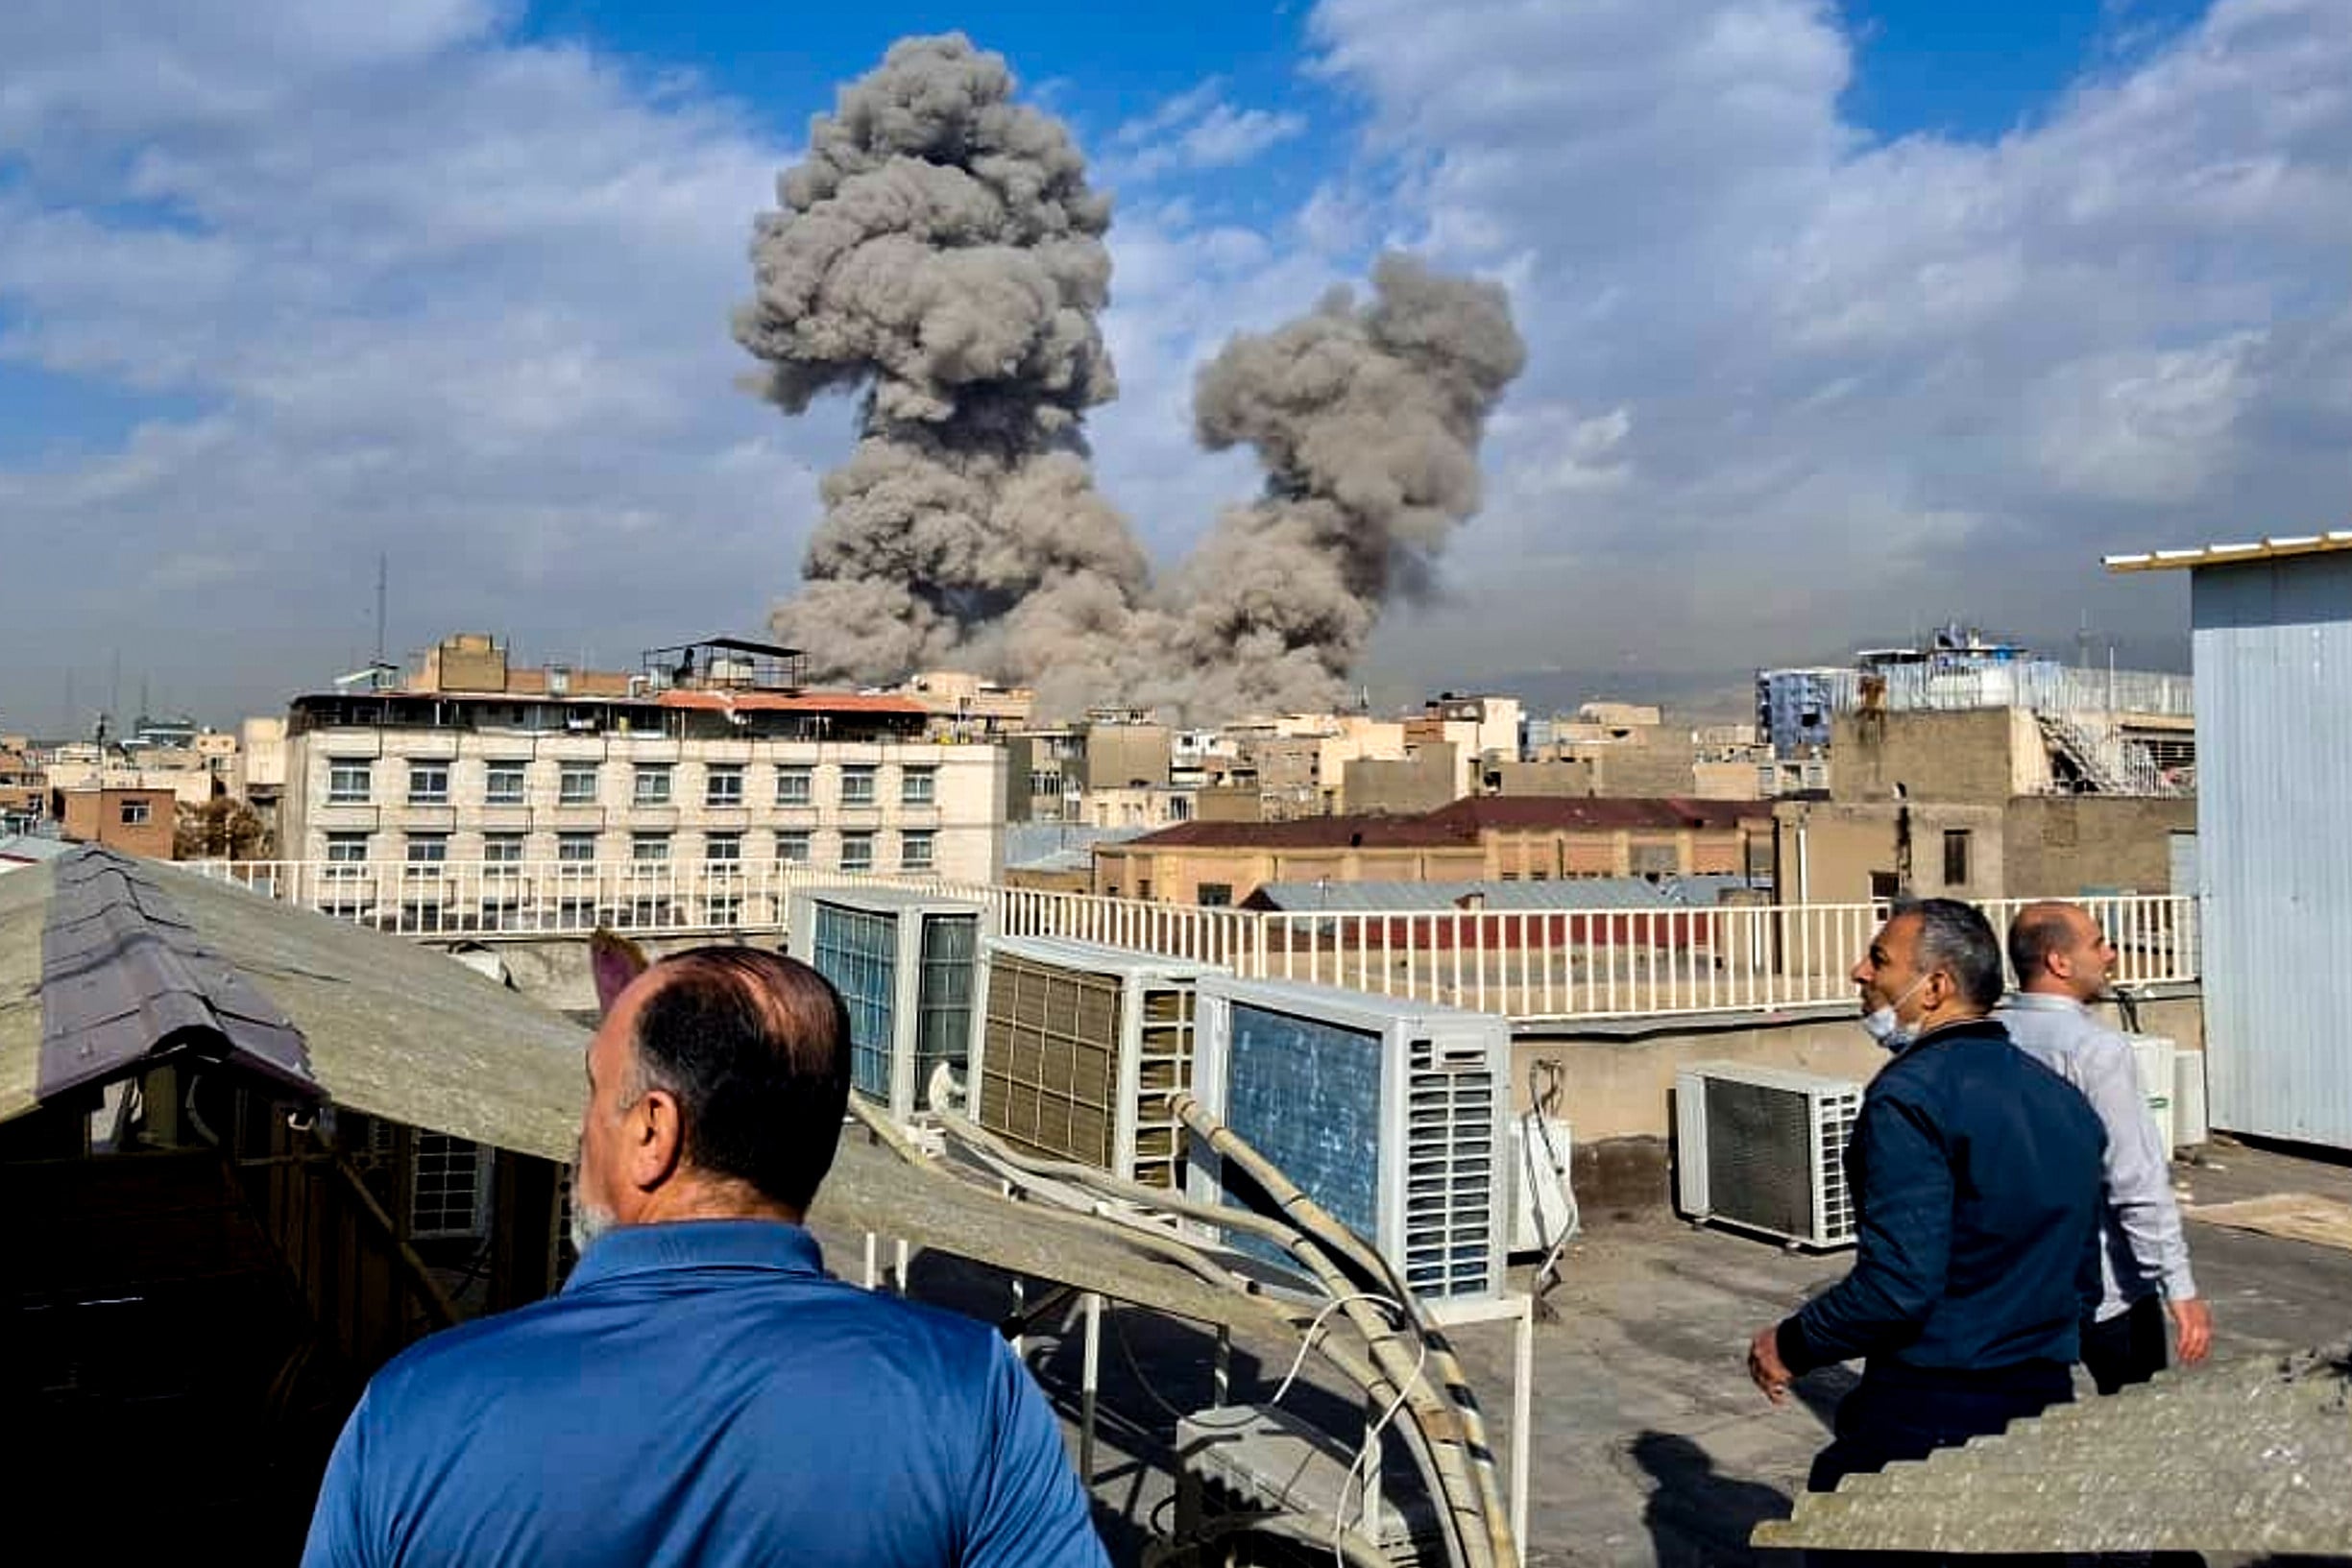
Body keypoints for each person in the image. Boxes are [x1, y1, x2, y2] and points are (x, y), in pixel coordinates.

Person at [302, 947, 1110, 1568]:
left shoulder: (420, 1407)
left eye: (594, 1089)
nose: (581, 1127)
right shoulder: (970, 1393)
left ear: (653, 1131)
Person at [1746, 899, 2107, 1495]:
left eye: (1880, 959)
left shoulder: (1910, 1098)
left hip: (1935, 1410)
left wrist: (1789, 1344)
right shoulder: (2061, 1100)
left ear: (1935, 985)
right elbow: (2084, 1277)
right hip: (2042, 1406)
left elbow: (1897, 1288)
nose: (1860, 972)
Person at [2000, 901, 2213, 1392]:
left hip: (2016, 1283)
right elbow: (2135, 1179)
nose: (2112, 954)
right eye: (2098, 944)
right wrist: (2177, 1286)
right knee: (2141, 1427)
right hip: (2104, 1285)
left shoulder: (1993, 1036)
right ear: (2059, 962)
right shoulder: (2094, 1050)